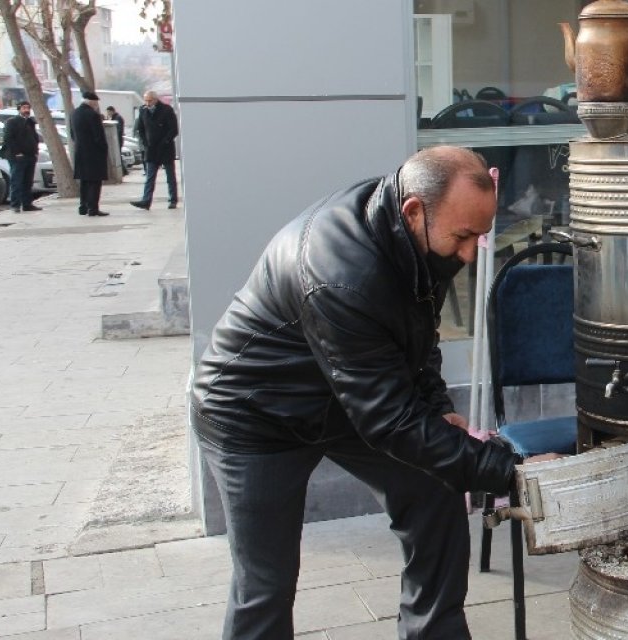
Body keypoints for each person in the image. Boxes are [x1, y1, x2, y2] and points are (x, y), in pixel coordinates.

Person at [192, 146, 556, 639]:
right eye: (465, 236)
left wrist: (437, 408)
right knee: (266, 582)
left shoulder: (419, 233)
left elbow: (418, 336)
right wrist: (509, 473)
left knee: (436, 493)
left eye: (481, 235)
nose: (472, 253)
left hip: (345, 397)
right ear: (412, 211)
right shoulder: (343, 274)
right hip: (254, 412)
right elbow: (388, 421)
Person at [130, 90, 179, 210]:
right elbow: (140, 129)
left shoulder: (166, 110)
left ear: (156, 99)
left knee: (170, 176)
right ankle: (146, 201)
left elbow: (173, 129)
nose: (147, 103)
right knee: (150, 176)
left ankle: (173, 199)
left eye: (149, 100)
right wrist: (145, 143)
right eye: (145, 100)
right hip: (151, 149)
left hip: (165, 148)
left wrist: (165, 141)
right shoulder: (143, 111)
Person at [70, 92, 109, 217]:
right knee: (94, 182)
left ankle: (83, 206)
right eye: (96, 103)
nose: (97, 105)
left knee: (84, 181)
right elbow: (98, 136)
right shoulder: (93, 115)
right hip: (94, 153)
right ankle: (93, 208)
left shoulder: (74, 113)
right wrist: (104, 149)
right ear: (92, 102)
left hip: (80, 152)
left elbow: (72, 134)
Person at [0, 101, 41, 212]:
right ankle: (15, 205)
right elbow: (8, 138)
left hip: (30, 155)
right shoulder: (12, 122)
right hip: (17, 157)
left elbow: (34, 137)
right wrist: (17, 152)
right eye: (24, 108)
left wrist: (35, 151)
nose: (26, 110)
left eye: (28, 107)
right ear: (19, 109)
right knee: (17, 181)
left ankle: (27, 204)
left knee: (28, 181)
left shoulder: (30, 122)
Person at [104, 106, 127, 176]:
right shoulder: (114, 118)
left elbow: (119, 130)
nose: (107, 114)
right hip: (117, 140)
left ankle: (124, 171)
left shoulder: (118, 118)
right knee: (118, 156)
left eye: (108, 112)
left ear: (112, 111)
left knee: (118, 156)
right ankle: (124, 171)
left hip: (117, 140)